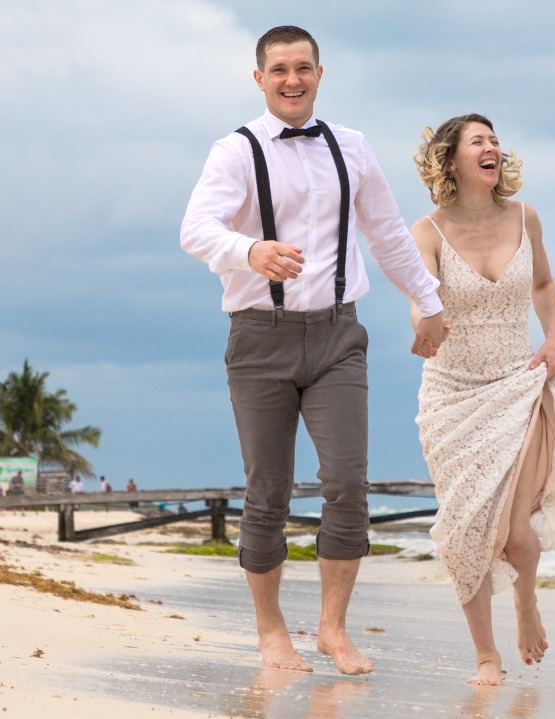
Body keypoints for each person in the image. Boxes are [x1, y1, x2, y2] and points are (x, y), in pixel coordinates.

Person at [180, 25, 449, 675]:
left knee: (347, 483)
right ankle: (272, 632)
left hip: (337, 337)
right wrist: (251, 251)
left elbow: (386, 232)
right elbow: (195, 228)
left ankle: (332, 627)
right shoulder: (236, 151)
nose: (292, 80)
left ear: (320, 74)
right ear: (259, 78)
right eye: (279, 70)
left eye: (303, 68)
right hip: (258, 338)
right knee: (268, 490)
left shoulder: (351, 147)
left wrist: (429, 300)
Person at [411, 114, 555, 685]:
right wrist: (426, 323)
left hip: (518, 384)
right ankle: (486, 656)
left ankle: (527, 602)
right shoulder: (427, 232)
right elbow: (422, 299)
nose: (492, 148)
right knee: (466, 528)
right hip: (452, 397)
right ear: (451, 161)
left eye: (494, 140)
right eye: (477, 142)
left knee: (514, 535)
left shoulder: (524, 216)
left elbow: (542, 285)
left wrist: (554, 339)